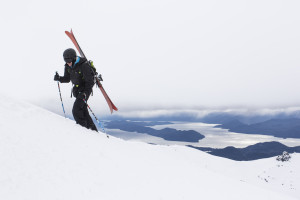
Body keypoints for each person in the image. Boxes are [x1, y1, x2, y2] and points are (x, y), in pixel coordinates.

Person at [54, 48, 98, 132]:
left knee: (76, 110)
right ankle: (93, 132)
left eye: (69, 61)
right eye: (66, 61)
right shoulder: (67, 66)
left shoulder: (83, 65)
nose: (68, 63)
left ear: (74, 59)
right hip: (77, 91)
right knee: (83, 111)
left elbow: (90, 82)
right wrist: (59, 78)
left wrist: (85, 93)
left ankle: (83, 131)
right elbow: (67, 79)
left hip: (85, 90)